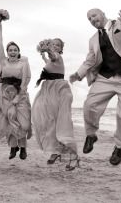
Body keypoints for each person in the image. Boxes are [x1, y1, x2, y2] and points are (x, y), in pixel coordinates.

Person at [69, 9, 121, 166]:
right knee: (90, 106)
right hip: (105, 78)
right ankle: (91, 135)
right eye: (89, 19)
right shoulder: (93, 40)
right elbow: (90, 60)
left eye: (94, 15)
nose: (92, 19)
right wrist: (78, 74)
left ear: (102, 14)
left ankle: (119, 146)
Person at [0, 14, 32, 160]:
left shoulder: (24, 63)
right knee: (10, 119)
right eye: (10, 50)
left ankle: (23, 146)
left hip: (20, 94)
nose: (12, 52)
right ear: (7, 53)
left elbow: (26, 80)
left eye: (15, 50)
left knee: (23, 123)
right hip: (6, 95)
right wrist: (0, 27)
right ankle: (14, 148)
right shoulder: (3, 62)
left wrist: (19, 96)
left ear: (18, 51)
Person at [32, 38, 79, 171]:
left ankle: (73, 156)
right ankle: (56, 151)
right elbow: (48, 62)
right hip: (49, 92)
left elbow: (53, 56)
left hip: (59, 92)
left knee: (63, 125)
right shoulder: (52, 61)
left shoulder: (57, 57)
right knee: (48, 121)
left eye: (58, 45)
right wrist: (42, 54)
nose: (55, 46)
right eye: (53, 44)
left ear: (60, 49)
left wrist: (48, 50)